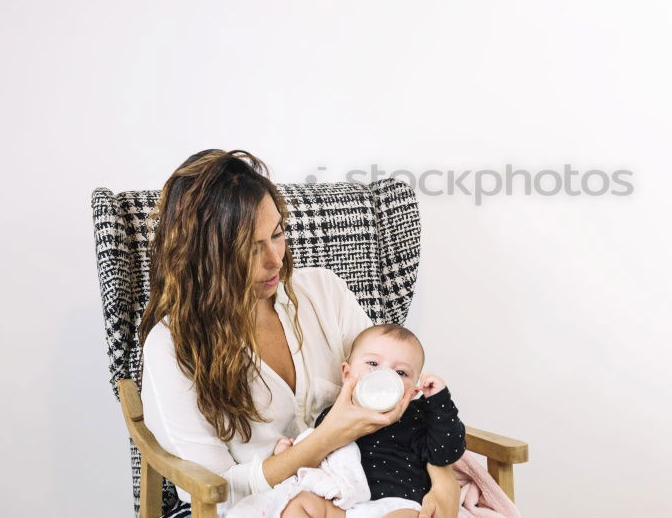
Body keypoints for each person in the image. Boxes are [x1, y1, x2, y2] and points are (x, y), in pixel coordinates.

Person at [138, 149, 461, 518]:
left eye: (277, 234)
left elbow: (401, 393)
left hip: (368, 496)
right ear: (204, 255)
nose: (275, 259)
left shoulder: (323, 292)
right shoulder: (173, 347)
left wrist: (443, 477)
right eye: (250, 249)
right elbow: (216, 491)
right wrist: (328, 437)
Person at [268, 324, 466, 518]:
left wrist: (439, 401)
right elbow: (317, 455)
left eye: (401, 373)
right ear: (347, 374)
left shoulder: (417, 418)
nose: (384, 375)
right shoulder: (335, 414)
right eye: (373, 364)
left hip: (395, 505)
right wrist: (290, 450)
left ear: (413, 391)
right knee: (298, 505)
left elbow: (446, 452)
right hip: (343, 504)